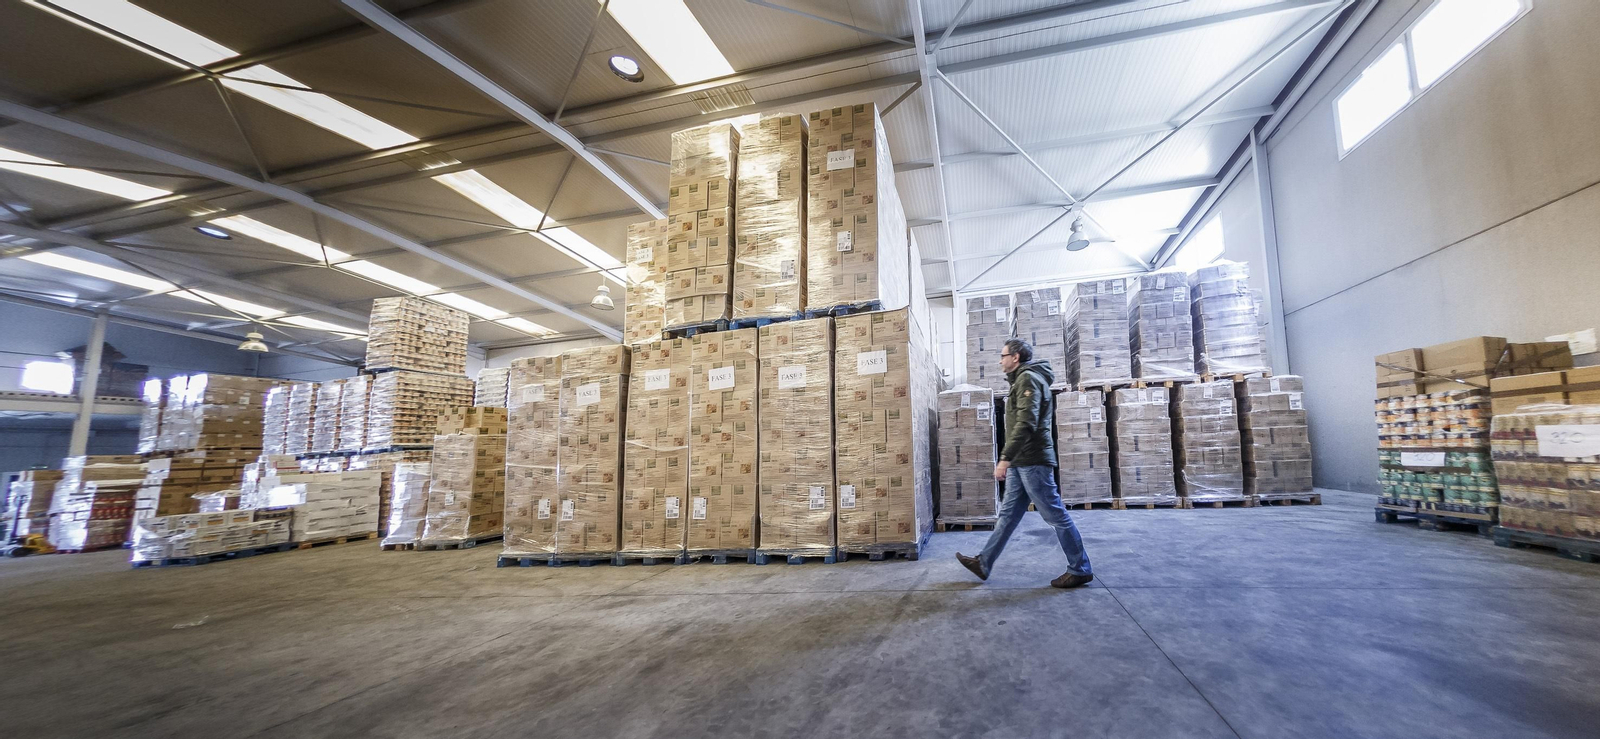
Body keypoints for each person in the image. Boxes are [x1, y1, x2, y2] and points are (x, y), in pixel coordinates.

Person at [956, 338, 1094, 588]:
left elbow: (1026, 423)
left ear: (1015, 357)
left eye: (1003, 355)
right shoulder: (1022, 380)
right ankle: (984, 562)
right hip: (1023, 462)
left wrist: (1005, 458)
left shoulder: (1028, 379)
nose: (1000, 360)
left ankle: (1080, 567)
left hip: (1033, 460)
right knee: (1008, 515)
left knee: (1055, 515)